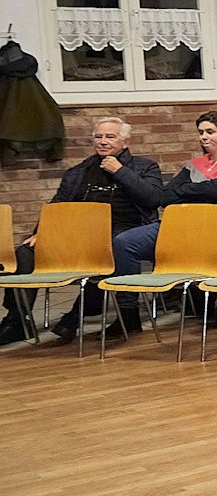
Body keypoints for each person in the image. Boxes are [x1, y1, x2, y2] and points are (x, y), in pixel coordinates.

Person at [103, 111, 217, 341]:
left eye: (210, 132)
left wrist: (186, 191)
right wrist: (193, 192)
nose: (204, 137)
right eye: (201, 133)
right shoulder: (195, 165)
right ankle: (128, 315)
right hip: (185, 224)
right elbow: (164, 196)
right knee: (125, 242)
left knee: (192, 249)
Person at [0, 117, 162, 344]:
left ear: (125, 142)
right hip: (79, 235)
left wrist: (120, 171)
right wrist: (42, 232)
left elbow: (153, 198)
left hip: (124, 231)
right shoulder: (80, 171)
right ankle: (16, 320)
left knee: (109, 250)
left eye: (110, 137)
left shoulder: (145, 167)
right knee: (25, 252)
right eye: (99, 137)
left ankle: (75, 317)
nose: (103, 142)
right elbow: (58, 205)